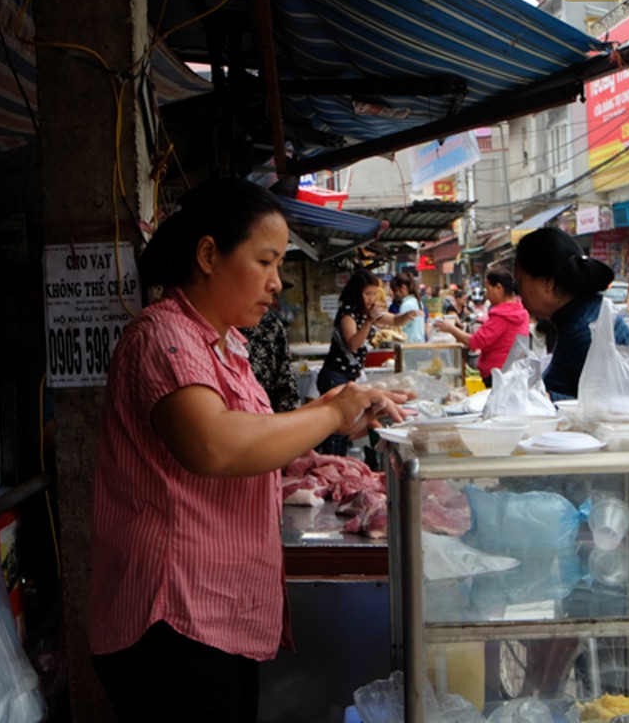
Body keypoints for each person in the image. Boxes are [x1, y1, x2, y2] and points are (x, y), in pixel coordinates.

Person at [87, 178, 404, 723]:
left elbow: (256, 439)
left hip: (214, 609)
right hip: (172, 616)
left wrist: (335, 416)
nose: (277, 283)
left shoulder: (223, 344)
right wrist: (327, 412)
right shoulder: (163, 338)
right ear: (209, 254)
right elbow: (214, 446)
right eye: (265, 262)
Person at [513, 228, 629, 400]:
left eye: (520, 282)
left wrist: (545, 398)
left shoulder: (584, 331)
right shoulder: (582, 316)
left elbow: (608, 408)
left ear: (548, 283)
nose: (519, 293)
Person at [316, 269, 420, 454]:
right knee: (337, 428)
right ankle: (332, 466)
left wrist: (408, 316)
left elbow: (395, 320)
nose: (371, 298)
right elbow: (353, 344)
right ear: (357, 293)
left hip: (349, 378)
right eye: (367, 294)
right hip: (335, 376)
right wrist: (369, 322)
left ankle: (340, 465)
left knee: (345, 427)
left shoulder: (369, 313)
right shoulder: (348, 313)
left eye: (374, 293)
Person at [432, 270, 530, 386]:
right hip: (513, 371)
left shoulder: (502, 315)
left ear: (498, 288)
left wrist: (450, 328)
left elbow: (475, 342)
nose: (487, 296)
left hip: (497, 374)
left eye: (488, 290)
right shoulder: (519, 310)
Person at [241, 288, 301, 414]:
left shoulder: (269, 325)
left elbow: (286, 391)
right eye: (264, 267)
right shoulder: (194, 338)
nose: (276, 285)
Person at [390, 273, 426, 344]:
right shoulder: (418, 302)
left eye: (395, 290)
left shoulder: (406, 305)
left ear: (403, 288)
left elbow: (399, 329)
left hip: (408, 346)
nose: (395, 294)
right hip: (419, 344)